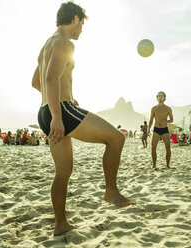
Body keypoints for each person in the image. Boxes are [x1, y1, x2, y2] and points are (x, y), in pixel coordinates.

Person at [31, 2, 134, 236]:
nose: (81, 31)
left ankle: (60, 224)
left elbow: (37, 83)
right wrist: (59, 113)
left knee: (63, 172)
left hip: (45, 111)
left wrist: (58, 102)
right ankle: (111, 191)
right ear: (75, 19)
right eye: (82, 25)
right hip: (59, 112)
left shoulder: (46, 45)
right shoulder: (64, 43)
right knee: (116, 138)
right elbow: (49, 80)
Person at [148, 91, 173, 168]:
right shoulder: (154, 108)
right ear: (156, 98)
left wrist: (165, 121)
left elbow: (171, 120)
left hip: (165, 129)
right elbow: (151, 119)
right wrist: (148, 129)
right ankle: (154, 165)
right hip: (156, 129)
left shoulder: (168, 108)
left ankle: (167, 165)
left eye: (161, 96)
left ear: (164, 98)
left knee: (168, 147)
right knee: (153, 147)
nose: (160, 97)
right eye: (158, 96)